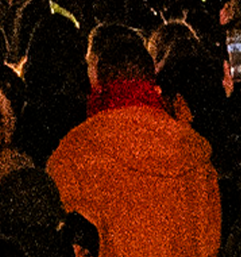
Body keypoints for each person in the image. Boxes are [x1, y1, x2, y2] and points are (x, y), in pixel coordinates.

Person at [44, 25, 221, 257]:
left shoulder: (75, 151)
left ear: (97, 82)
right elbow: (209, 238)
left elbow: (67, 240)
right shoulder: (193, 152)